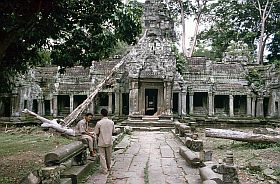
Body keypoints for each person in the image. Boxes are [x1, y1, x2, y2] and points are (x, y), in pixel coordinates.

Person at [94, 109, 115, 174]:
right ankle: (109, 167)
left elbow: (96, 132)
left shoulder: (99, 123)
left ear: (101, 114)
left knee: (102, 156)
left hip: (101, 141)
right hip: (109, 141)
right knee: (109, 155)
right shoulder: (111, 122)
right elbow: (113, 131)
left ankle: (104, 170)